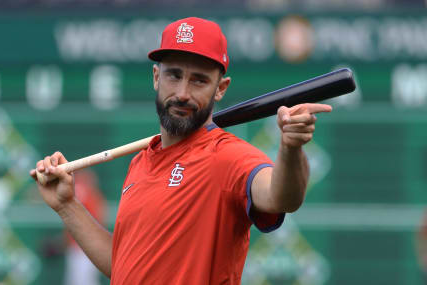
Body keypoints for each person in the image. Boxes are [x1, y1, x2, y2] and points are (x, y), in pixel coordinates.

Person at [30, 17, 332, 284]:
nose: (183, 93)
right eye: (174, 75)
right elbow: (123, 266)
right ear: (156, 78)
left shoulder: (228, 157)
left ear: (221, 88)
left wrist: (291, 149)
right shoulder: (140, 162)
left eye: (199, 80)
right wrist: (67, 206)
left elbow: (282, 197)